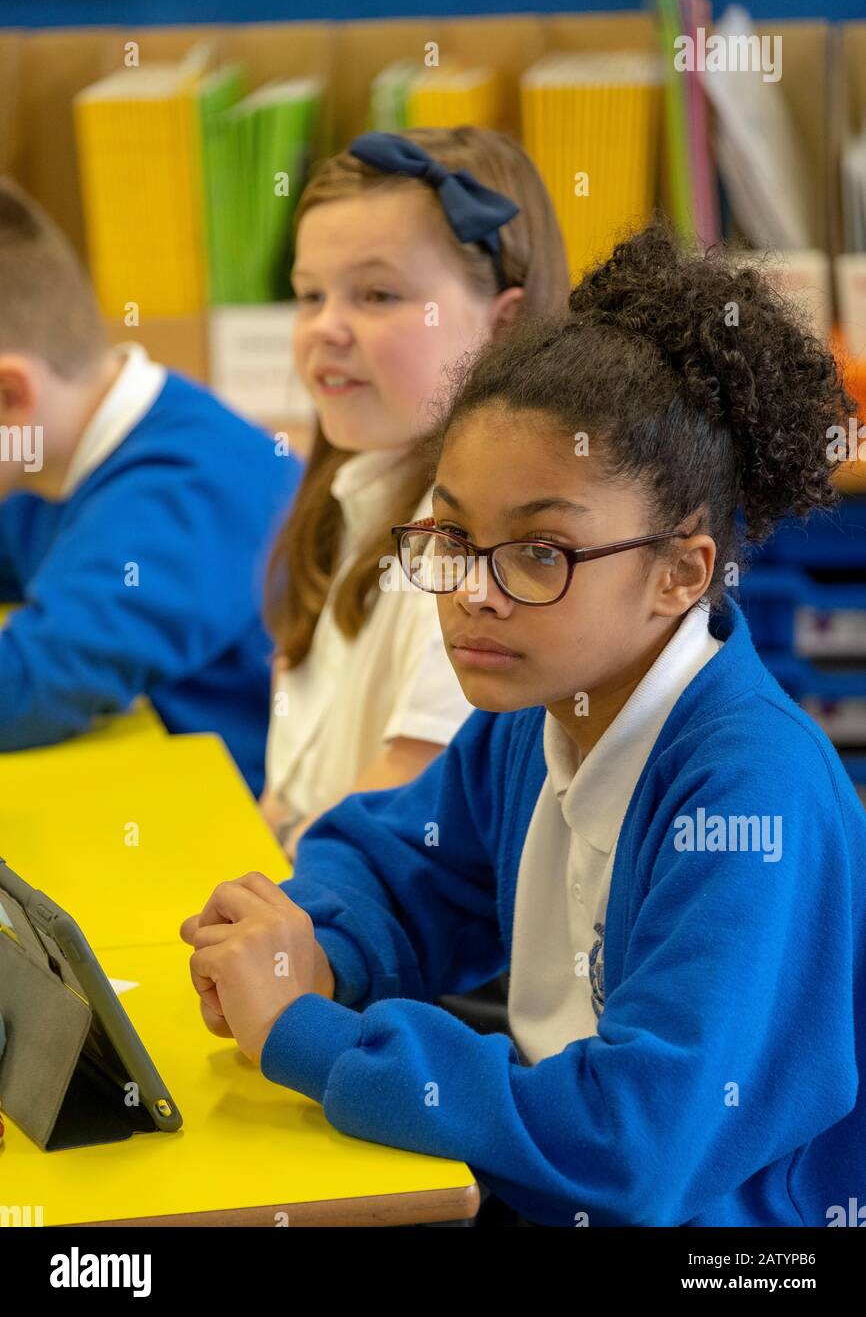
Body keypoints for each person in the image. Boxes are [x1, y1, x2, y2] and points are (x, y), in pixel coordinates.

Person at [182, 221, 866, 1225]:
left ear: (679, 572)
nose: (472, 593)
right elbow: (394, 864)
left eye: (540, 550)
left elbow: (633, 1143)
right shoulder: (538, 708)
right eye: (454, 535)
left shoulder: (747, 794)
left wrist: (303, 1030)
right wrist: (309, 946)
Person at [260, 127, 570, 854]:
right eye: (309, 295)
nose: (326, 327)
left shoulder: (469, 556)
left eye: (377, 294)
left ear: (505, 325)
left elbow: (401, 804)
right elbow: (291, 781)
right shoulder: (351, 497)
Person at [0, 180, 300, 793]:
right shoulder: (45, 454)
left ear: (11, 396)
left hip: (247, 838)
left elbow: (33, 685)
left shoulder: (183, 490)